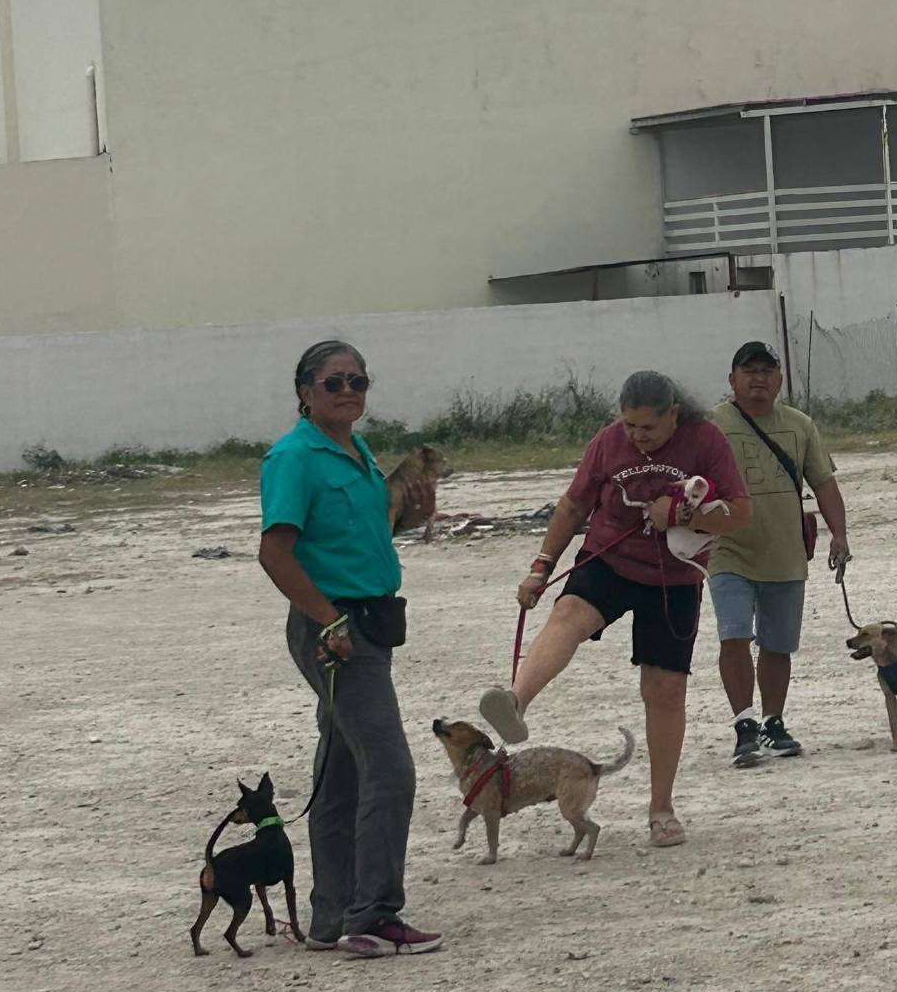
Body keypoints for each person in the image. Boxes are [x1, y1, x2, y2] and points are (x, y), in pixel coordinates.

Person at [478, 370, 750, 847]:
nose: (637, 436)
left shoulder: (705, 440)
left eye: (648, 427)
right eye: (629, 425)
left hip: (674, 577)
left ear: (674, 414)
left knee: (664, 690)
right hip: (610, 558)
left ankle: (661, 810)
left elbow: (740, 513)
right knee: (568, 614)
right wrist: (541, 567)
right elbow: (572, 506)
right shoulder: (607, 443)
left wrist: (683, 513)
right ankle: (516, 702)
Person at [257, 340, 443, 957]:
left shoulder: (355, 451)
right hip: (335, 629)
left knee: (341, 771)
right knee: (389, 768)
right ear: (304, 391)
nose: (347, 391)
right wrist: (328, 621)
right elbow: (275, 553)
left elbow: (362, 535)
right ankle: (374, 915)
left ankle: (333, 916)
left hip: (366, 621)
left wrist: (412, 514)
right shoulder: (294, 458)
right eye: (333, 382)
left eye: (357, 381)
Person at [708, 341, 849, 768]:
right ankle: (744, 725)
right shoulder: (712, 424)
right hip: (728, 550)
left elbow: (823, 483)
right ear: (732, 379)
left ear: (780, 379)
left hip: (786, 552)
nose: (758, 378)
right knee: (734, 635)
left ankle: (773, 723)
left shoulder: (800, 425)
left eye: (767, 370)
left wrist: (839, 534)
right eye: (749, 370)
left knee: (778, 644)